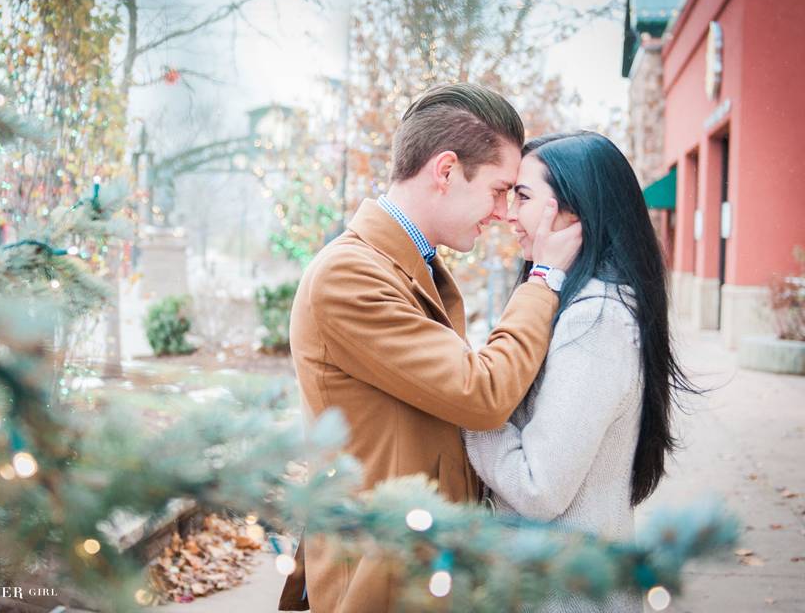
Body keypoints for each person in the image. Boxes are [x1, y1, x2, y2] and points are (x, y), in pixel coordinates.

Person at [278, 84, 583, 612]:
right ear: (445, 171)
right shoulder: (348, 275)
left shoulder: (409, 266)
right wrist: (544, 279)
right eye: (497, 189)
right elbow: (480, 392)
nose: (501, 212)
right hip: (380, 577)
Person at [463, 131, 698, 612]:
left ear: (575, 211)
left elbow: (538, 487)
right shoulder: (573, 302)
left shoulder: (596, 319)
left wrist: (464, 403)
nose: (508, 214)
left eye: (523, 197)